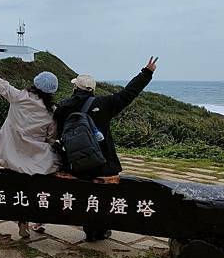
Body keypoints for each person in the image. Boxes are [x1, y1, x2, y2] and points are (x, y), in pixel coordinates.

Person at [54, 56, 158, 241]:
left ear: (75, 88)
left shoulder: (63, 107)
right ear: (92, 90)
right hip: (102, 162)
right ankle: (98, 230)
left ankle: (90, 228)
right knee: (102, 195)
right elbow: (128, 93)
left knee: (83, 193)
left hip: (74, 164)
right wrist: (146, 73)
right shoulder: (105, 103)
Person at [0, 55, 60, 237]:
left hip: (12, 154)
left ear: (35, 84)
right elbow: (51, 138)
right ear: (51, 91)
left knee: (17, 189)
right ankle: (39, 220)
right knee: (43, 187)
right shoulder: (51, 111)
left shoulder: (18, 97)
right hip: (37, 160)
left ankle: (22, 219)